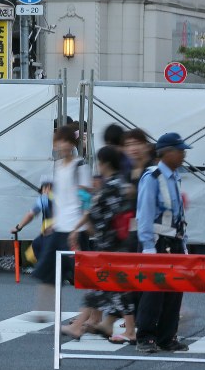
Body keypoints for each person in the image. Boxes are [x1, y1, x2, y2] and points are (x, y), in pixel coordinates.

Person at [61, 146, 136, 344]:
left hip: (109, 246)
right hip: (120, 243)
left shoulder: (109, 187)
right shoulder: (122, 185)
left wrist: (76, 230)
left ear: (104, 163)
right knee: (116, 287)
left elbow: (92, 214)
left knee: (100, 284)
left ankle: (79, 326)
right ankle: (122, 328)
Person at [135, 132, 191, 354]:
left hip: (173, 241)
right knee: (153, 292)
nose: (183, 155)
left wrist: (183, 244)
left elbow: (178, 215)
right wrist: (148, 247)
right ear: (166, 153)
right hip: (157, 243)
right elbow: (145, 215)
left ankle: (167, 337)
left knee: (174, 291)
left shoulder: (174, 176)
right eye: (180, 151)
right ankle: (146, 337)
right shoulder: (153, 177)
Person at [31, 126, 91, 320]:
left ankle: (91, 315)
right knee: (48, 271)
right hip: (59, 227)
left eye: (64, 141)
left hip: (75, 228)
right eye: (58, 141)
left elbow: (87, 200)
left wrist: (79, 227)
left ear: (71, 144)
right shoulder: (57, 167)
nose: (60, 145)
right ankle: (43, 311)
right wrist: (53, 223)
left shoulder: (80, 166)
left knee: (85, 276)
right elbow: (60, 200)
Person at [11, 176, 52, 265]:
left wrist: (18, 227)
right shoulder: (66, 198)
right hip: (68, 233)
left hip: (50, 235)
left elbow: (31, 214)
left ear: (47, 187)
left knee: (34, 251)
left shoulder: (44, 199)